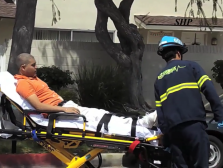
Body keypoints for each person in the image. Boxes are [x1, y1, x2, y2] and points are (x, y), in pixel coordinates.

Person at [12, 53, 158, 135]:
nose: (36, 67)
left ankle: (140, 123)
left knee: (102, 115)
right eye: (33, 65)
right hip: (59, 113)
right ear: (23, 67)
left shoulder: (33, 79)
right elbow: (38, 106)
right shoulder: (23, 84)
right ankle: (143, 132)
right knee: (100, 123)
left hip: (66, 107)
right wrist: (64, 109)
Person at [154, 36, 223, 168]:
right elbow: (210, 91)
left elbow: (160, 113)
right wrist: (219, 116)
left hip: (174, 132)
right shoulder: (191, 66)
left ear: (164, 56)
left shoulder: (159, 79)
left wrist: (167, 137)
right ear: (178, 53)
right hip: (194, 126)